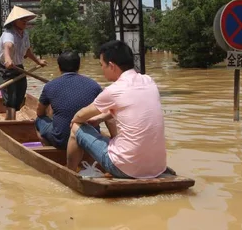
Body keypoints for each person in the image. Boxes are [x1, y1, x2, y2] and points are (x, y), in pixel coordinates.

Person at [66, 40, 167, 179]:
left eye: (102, 65)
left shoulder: (113, 90)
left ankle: (69, 174)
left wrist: (74, 121)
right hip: (158, 167)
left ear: (112, 66)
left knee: (76, 126)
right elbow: (128, 107)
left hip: (123, 168)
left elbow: (80, 115)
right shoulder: (149, 81)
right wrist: (100, 118)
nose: (101, 69)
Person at [35, 51, 116, 150]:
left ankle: (51, 151)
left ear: (59, 67)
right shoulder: (94, 85)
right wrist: (114, 138)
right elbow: (109, 116)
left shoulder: (50, 86)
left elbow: (39, 112)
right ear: (79, 66)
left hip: (62, 142)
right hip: (91, 139)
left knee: (39, 120)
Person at [0, 6, 47, 120]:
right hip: (5, 68)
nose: (25, 22)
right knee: (10, 97)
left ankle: (10, 118)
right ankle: (10, 123)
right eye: (22, 19)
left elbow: (27, 50)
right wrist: (8, 59)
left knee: (20, 92)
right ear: (14, 22)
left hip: (18, 67)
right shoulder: (8, 34)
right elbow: (8, 46)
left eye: (26, 20)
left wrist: (38, 61)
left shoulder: (25, 34)